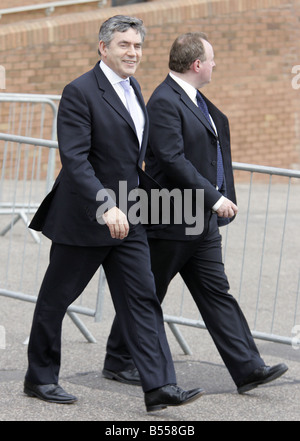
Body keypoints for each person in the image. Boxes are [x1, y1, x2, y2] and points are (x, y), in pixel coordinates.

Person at [24, 17, 204, 412]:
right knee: (56, 300)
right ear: (103, 47)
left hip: (130, 217)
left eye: (138, 46)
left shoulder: (134, 88)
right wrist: (106, 206)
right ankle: (39, 378)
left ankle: (159, 387)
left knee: (142, 299)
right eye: (124, 45)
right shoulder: (80, 92)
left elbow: (130, 158)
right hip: (86, 218)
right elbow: (75, 159)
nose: (133, 53)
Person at [103, 32, 288, 394]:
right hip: (170, 217)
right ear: (197, 64)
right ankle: (118, 359)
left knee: (216, 292)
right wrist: (214, 198)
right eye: (212, 58)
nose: (215, 64)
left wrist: (217, 200)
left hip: (198, 220)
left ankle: (248, 367)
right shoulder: (164, 101)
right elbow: (172, 160)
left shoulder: (195, 100)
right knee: (148, 291)